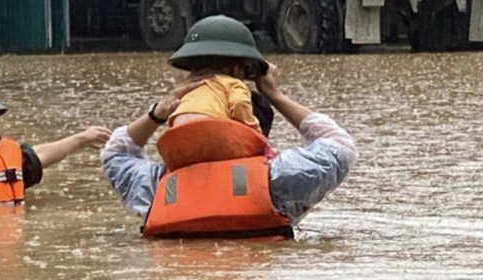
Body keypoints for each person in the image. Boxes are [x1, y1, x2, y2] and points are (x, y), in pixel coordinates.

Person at [101, 62, 358, 239]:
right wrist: (276, 96)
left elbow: (115, 152)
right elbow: (340, 146)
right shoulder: (278, 181)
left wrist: (157, 114)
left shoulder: (156, 189)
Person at [166, 15, 267, 134]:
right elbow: (240, 103)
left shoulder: (186, 88)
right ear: (234, 69)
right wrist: (255, 130)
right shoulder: (233, 84)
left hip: (178, 126)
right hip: (211, 128)